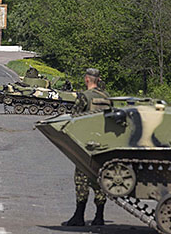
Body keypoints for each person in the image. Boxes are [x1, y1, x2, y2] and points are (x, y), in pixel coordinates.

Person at [66, 68, 111, 227]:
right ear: (98, 80)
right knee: (99, 180)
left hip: (86, 145)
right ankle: (99, 217)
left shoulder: (84, 97)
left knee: (81, 180)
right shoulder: (107, 98)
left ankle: (79, 216)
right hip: (104, 146)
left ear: (87, 79)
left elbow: (74, 119)